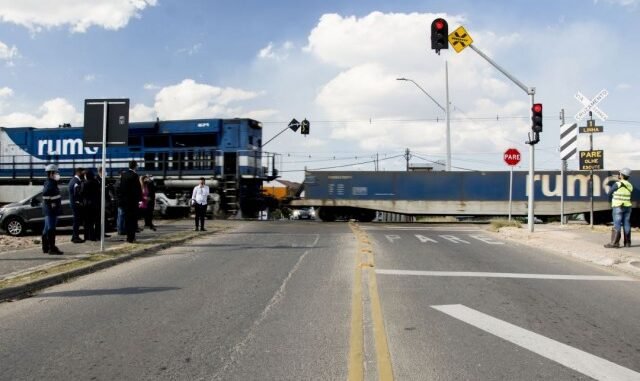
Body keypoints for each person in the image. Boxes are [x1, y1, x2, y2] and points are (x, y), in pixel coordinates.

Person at [605, 167, 633, 248]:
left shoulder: (617, 184)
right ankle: (627, 243)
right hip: (628, 207)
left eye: (619, 174)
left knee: (617, 224)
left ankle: (615, 243)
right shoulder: (630, 185)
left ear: (621, 175)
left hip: (618, 206)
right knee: (626, 223)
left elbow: (610, 193)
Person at [42, 164, 63, 255]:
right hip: (51, 210)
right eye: (55, 172)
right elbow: (45, 194)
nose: (57, 174)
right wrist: (52, 203)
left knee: (46, 229)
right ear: (51, 173)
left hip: (49, 210)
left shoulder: (49, 182)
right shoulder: (50, 183)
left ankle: (45, 247)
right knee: (51, 229)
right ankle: (52, 248)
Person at [118, 160, 142, 243]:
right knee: (133, 220)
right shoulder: (135, 175)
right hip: (132, 201)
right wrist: (140, 200)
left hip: (125, 201)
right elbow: (137, 189)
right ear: (135, 166)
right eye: (137, 165)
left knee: (127, 219)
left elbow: (121, 188)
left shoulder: (123, 175)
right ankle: (132, 237)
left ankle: (128, 237)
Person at [81, 169, 100, 241]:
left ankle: (89, 236)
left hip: (87, 205)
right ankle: (96, 235)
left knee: (88, 222)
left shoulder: (85, 183)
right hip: (96, 204)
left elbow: (81, 193)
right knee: (95, 221)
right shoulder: (96, 182)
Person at [68, 167, 85, 243]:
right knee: (76, 221)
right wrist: (79, 201)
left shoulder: (74, 180)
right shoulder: (76, 181)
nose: (83, 175)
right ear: (78, 172)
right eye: (82, 173)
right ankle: (75, 237)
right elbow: (77, 193)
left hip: (74, 203)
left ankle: (74, 236)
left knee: (77, 221)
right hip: (76, 204)